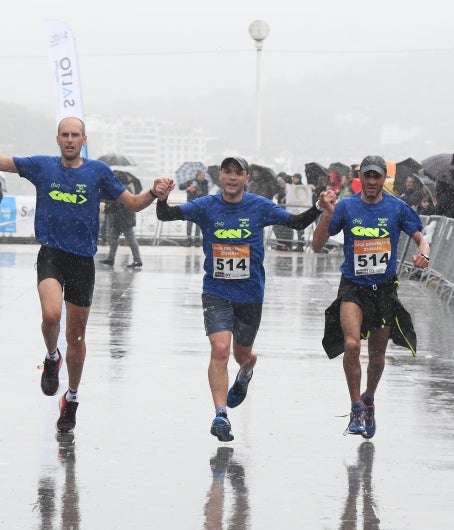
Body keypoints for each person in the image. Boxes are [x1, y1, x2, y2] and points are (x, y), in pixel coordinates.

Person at [0, 102, 173, 433]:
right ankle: (50, 357)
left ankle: (70, 398)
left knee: (76, 335)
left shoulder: (97, 171)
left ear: (83, 139)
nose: (70, 140)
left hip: (82, 261)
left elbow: (131, 203)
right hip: (51, 255)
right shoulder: (42, 166)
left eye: (75, 135)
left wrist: (154, 193)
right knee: (51, 316)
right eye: (65, 135)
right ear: (57, 139)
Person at [155, 156, 327, 442]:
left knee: (241, 354)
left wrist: (318, 207)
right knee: (220, 349)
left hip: (250, 293)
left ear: (247, 178)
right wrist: (160, 199)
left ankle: (247, 371)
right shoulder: (205, 206)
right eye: (227, 172)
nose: (232, 177)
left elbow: (296, 223)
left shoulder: (258, 206)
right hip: (216, 290)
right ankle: (220, 414)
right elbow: (166, 215)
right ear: (220, 176)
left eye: (238, 173)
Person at [311, 155, 430, 440]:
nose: (373, 182)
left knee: (377, 355)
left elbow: (420, 237)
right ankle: (355, 408)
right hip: (353, 286)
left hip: (384, 289)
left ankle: (369, 399)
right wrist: (327, 213)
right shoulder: (347, 206)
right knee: (352, 344)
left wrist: (424, 252)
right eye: (368, 176)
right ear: (361, 178)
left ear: (383, 179)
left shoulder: (397, 207)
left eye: (377, 177)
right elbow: (316, 245)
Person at [100, 171, 143, 268]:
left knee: (129, 239)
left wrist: (107, 208)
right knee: (114, 239)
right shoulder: (122, 188)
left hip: (123, 219)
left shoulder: (122, 189)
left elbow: (118, 204)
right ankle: (111, 259)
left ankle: (137, 260)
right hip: (120, 218)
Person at [179, 170, 208, 246]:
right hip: (190, 206)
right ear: (197, 176)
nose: (203, 177)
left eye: (204, 176)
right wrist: (189, 186)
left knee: (198, 225)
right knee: (189, 223)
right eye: (202, 175)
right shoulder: (191, 182)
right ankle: (188, 240)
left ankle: (197, 240)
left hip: (200, 207)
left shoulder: (205, 183)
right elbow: (181, 187)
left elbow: (206, 194)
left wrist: (201, 193)